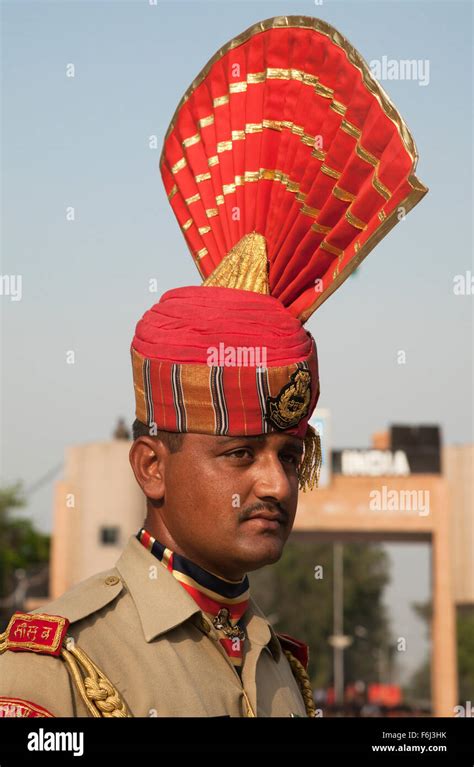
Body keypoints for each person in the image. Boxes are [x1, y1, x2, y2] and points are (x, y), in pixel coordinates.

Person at [0, 15, 426, 718]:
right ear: (151, 466)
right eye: (239, 453)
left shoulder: (280, 668)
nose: (276, 482)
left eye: (290, 455)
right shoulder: (57, 664)